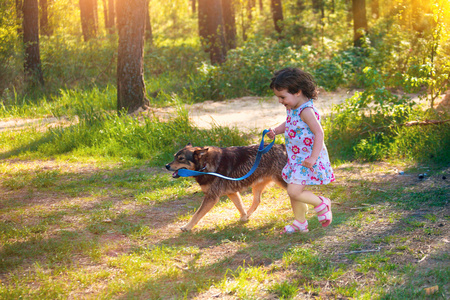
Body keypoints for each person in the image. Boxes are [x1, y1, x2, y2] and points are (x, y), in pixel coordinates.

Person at [266, 67, 335, 233]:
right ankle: (300, 222)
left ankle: (321, 203)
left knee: (294, 191)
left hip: (308, 158)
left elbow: (319, 133)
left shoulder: (306, 111)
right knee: (293, 192)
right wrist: (276, 130)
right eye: (278, 97)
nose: (280, 101)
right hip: (296, 158)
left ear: (297, 91)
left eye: (282, 97)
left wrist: (313, 157)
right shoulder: (293, 108)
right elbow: (289, 124)